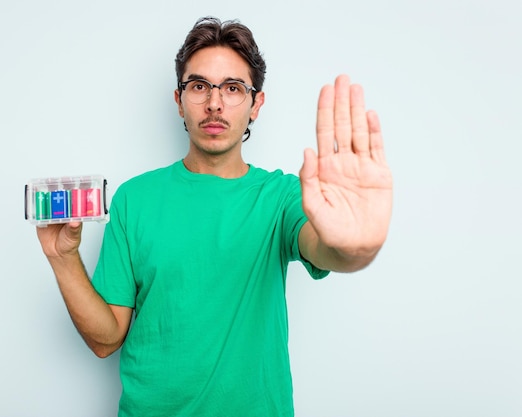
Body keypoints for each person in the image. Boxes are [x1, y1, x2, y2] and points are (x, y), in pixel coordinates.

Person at [36, 16, 393, 417]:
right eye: (200, 86)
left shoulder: (282, 197)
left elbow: (329, 248)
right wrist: (63, 258)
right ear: (179, 100)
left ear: (256, 104)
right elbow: (105, 339)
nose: (215, 103)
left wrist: (355, 247)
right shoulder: (133, 199)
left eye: (234, 88)